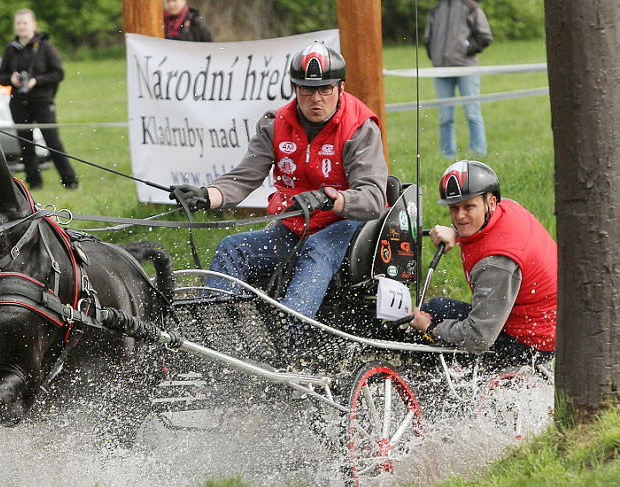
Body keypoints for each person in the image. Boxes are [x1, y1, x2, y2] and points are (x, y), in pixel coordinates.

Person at [171, 42, 387, 334]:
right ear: (294, 88)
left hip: (344, 228)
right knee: (231, 249)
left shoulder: (359, 128)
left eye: (325, 89)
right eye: (307, 90)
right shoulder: (276, 124)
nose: (316, 99)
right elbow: (246, 177)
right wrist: (206, 196)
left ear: (341, 87)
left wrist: (327, 198)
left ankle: (290, 341)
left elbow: (373, 198)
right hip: (293, 226)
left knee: (316, 251)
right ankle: (217, 336)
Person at [409, 160, 556, 364]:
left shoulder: (496, 263)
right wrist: (457, 233)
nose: (460, 216)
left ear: (491, 202)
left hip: (531, 343)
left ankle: (429, 388)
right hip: (544, 324)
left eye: (469, 207)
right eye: (454, 208)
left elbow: (478, 337)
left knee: (432, 314)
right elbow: (486, 232)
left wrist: (430, 329)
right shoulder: (506, 208)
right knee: (436, 308)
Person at [0, 8, 78, 190]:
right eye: (18, 23)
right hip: (19, 102)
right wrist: (11, 79)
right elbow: (0, 77)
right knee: (26, 143)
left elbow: (58, 73)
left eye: (25, 23)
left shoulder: (44, 46)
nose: (22, 27)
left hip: (42, 100)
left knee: (52, 141)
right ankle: (34, 183)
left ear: (34, 25)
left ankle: (70, 181)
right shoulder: (11, 49)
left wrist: (36, 81)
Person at [424, 0, 493, 160]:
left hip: (466, 69)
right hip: (441, 70)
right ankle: (447, 156)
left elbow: (485, 36)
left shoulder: (471, 7)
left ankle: (478, 154)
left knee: (472, 113)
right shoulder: (436, 9)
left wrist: (466, 49)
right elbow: (428, 37)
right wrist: (434, 55)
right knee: (445, 117)